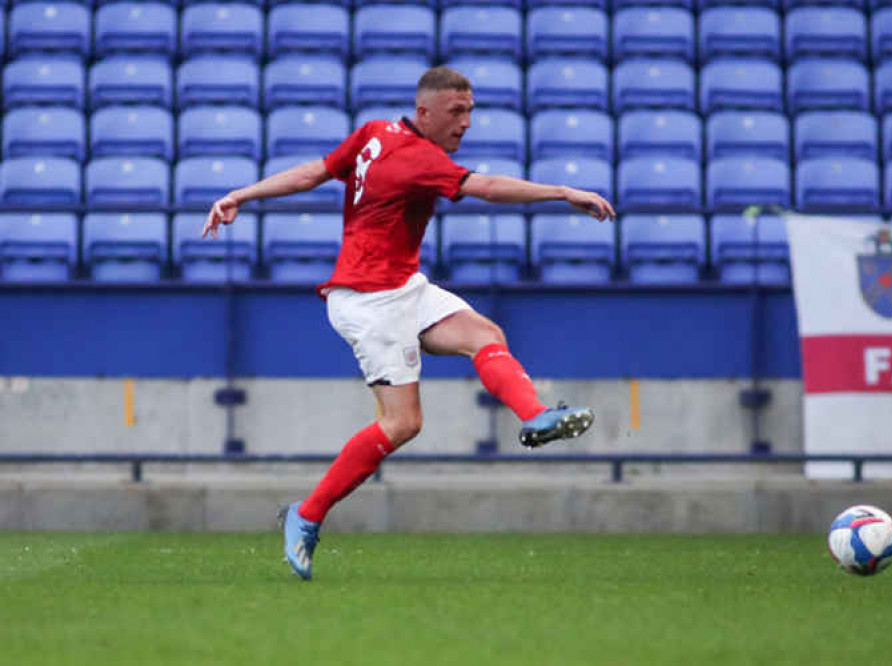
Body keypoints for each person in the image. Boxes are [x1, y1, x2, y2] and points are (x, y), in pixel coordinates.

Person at [202, 66, 616, 581]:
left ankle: (532, 417)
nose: (465, 123)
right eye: (455, 112)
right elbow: (484, 186)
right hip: (368, 301)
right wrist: (562, 192)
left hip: (402, 285)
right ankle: (305, 515)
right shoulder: (420, 158)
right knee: (403, 423)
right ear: (424, 113)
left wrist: (241, 194)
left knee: (486, 335)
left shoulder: (374, 132)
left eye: (470, 111)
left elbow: (313, 172)